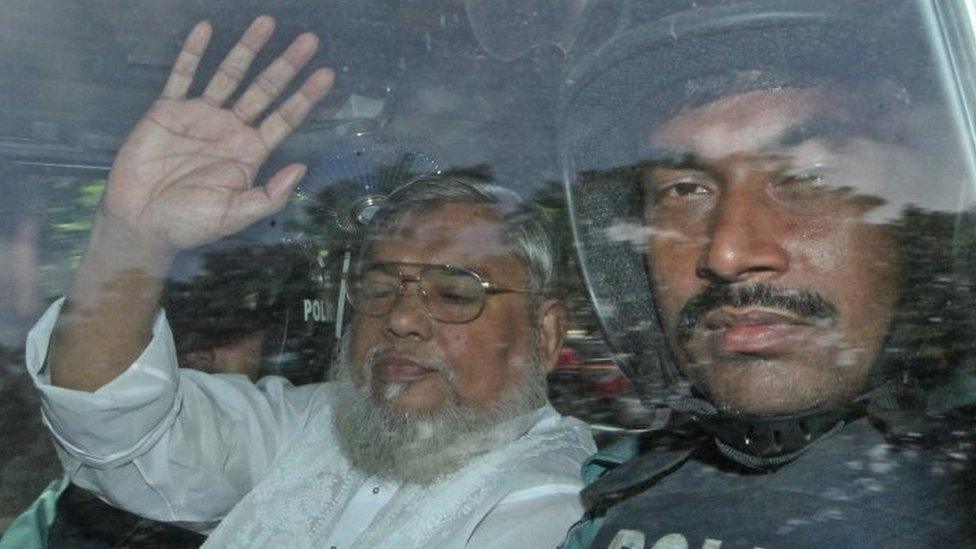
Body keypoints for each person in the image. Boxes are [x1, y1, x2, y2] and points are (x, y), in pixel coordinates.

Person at [19, 16, 594, 548]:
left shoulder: (555, 509)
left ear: (544, 334)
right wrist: (131, 238)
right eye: (379, 286)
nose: (400, 318)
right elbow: (115, 428)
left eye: (454, 292)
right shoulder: (318, 425)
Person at [557, 1, 976, 547]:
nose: (727, 254)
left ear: (921, 225)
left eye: (808, 176)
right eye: (685, 190)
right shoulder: (617, 493)